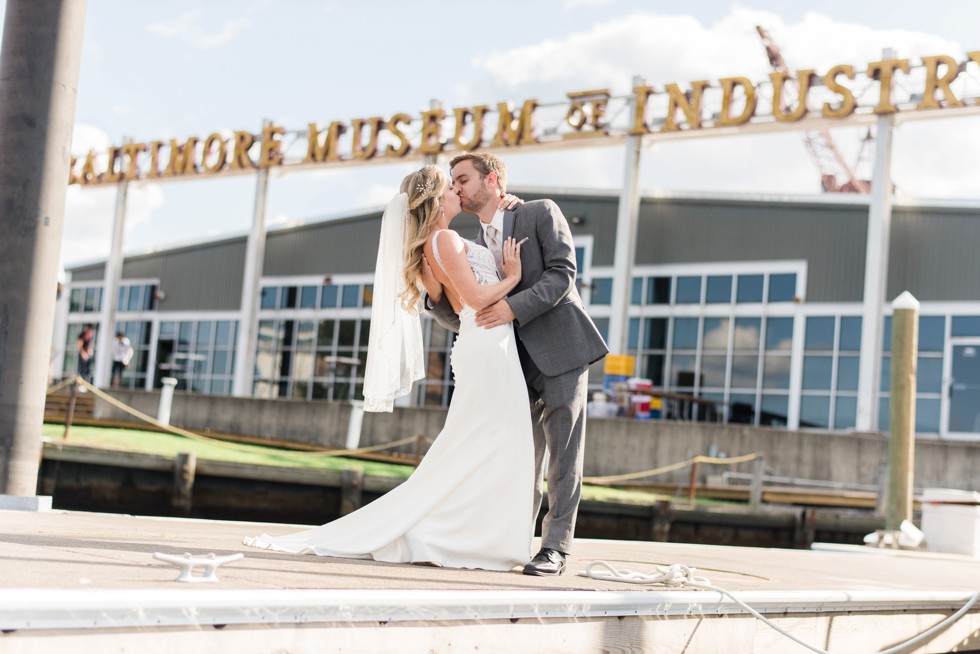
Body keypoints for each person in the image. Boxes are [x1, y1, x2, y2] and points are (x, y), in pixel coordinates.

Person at [244, 165, 535, 571]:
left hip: (480, 344)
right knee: (497, 442)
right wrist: (516, 276)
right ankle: (472, 538)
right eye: (450, 187)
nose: (457, 192)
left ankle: (476, 536)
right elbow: (475, 298)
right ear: (436, 200)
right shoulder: (446, 238)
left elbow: (452, 305)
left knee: (478, 444)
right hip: (487, 341)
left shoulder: (428, 248)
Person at [427, 152, 608, 576]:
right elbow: (470, 311)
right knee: (519, 454)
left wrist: (511, 308)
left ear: (492, 180)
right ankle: (511, 542)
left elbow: (562, 275)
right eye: (453, 182)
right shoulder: (467, 241)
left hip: (561, 348)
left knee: (564, 453)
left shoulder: (539, 212)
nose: (455, 188)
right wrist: (431, 296)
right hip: (509, 361)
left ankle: (555, 549)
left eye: (462, 179)